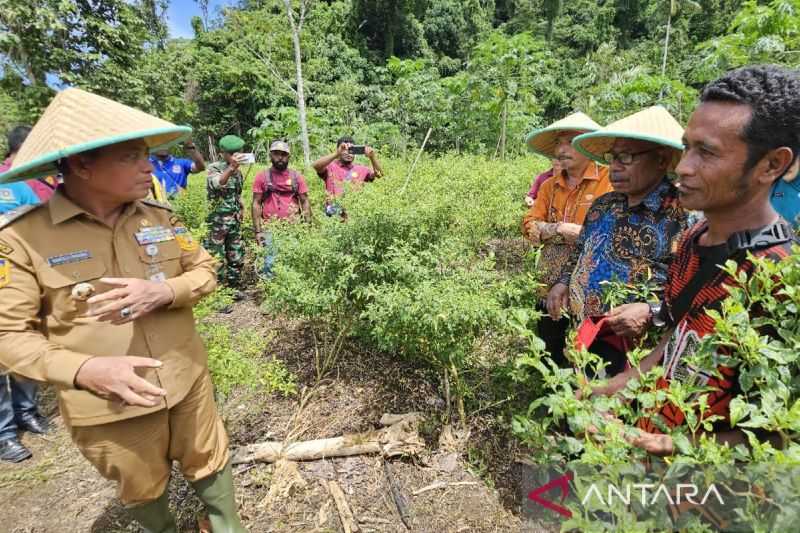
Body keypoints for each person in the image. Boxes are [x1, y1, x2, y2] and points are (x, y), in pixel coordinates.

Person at [0, 88, 247, 531]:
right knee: (143, 488)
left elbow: (204, 270)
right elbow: (7, 337)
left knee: (211, 461)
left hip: (186, 378)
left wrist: (165, 292)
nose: (147, 166)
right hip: (111, 407)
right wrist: (86, 369)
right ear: (81, 165)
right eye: (132, 156)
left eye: (146, 155)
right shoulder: (20, 240)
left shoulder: (159, 217)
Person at [586, 65, 800, 457]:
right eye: (687, 147)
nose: (683, 167)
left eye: (707, 152)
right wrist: (619, 388)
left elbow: (785, 431)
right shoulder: (691, 239)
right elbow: (674, 341)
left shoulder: (781, 279)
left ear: (771, 165)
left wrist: (678, 445)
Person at [549, 106, 690, 376]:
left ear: (661, 160)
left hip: (638, 354)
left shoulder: (683, 216)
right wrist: (563, 281)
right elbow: (581, 248)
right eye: (612, 157)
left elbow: (694, 294)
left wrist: (652, 310)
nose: (614, 167)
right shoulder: (605, 205)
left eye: (625, 157)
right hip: (584, 334)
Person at [520, 112, 613, 367]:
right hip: (548, 284)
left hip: (591, 289)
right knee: (550, 353)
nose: (561, 149)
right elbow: (529, 226)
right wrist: (561, 229)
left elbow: (604, 235)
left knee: (588, 358)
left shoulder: (609, 181)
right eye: (558, 143)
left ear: (588, 145)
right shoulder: (549, 186)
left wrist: (551, 231)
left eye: (569, 142)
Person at [0, 125, 53, 463]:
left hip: (27, 281)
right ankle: (4, 434)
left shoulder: (27, 183)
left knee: (29, 343)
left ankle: (27, 411)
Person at [252, 140, 311, 277]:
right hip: (270, 229)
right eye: (276, 154)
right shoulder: (262, 177)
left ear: (288, 156)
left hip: (293, 229)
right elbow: (256, 203)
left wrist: (307, 227)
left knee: (294, 265)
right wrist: (258, 231)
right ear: (270, 155)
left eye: (283, 154)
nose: (280, 157)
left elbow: (305, 201)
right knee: (270, 264)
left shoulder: (296, 177)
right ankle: (271, 294)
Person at [204, 135, 246, 294]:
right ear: (224, 153)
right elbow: (218, 183)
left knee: (236, 255)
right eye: (233, 153)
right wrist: (231, 168)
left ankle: (234, 289)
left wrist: (241, 208)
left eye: (239, 152)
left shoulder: (238, 172)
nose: (237, 155)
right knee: (217, 258)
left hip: (234, 221)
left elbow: (236, 194)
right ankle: (220, 295)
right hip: (218, 223)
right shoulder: (215, 168)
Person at [312, 136, 384, 217]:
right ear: (339, 150)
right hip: (333, 215)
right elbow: (316, 166)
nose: (348, 153)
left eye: (351, 150)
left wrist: (372, 156)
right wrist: (336, 154)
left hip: (353, 215)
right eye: (344, 150)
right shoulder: (330, 167)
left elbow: (380, 174)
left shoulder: (362, 169)